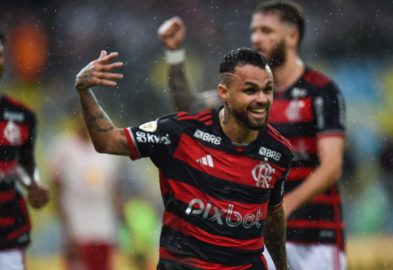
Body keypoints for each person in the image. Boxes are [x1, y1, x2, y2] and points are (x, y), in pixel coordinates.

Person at [158, 1, 347, 269]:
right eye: (254, 30)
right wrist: (175, 54)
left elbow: (332, 166)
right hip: (260, 238)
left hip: (316, 237)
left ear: (292, 36)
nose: (256, 37)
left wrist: (285, 206)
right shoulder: (241, 99)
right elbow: (188, 110)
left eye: (266, 30)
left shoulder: (320, 91)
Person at [74, 47, 293, 270]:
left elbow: (274, 216)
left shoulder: (278, 151)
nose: (262, 99)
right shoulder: (179, 133)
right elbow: (108, 141)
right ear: (224, 92)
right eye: (250, 90)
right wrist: (84, 90)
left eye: (268, 90)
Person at [49, 116, 126, 270]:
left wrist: (122, 227)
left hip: (104, 230)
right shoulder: (63, 147)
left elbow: (115, 193)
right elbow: (56, 193)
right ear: (76, 117)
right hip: (77, 232)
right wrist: (67, 231)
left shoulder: (109, 148)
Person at [0, 31, 49, 269]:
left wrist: (33, 185)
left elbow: (24, 162)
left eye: (0, 56)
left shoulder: (21, 117)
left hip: (8, 232)